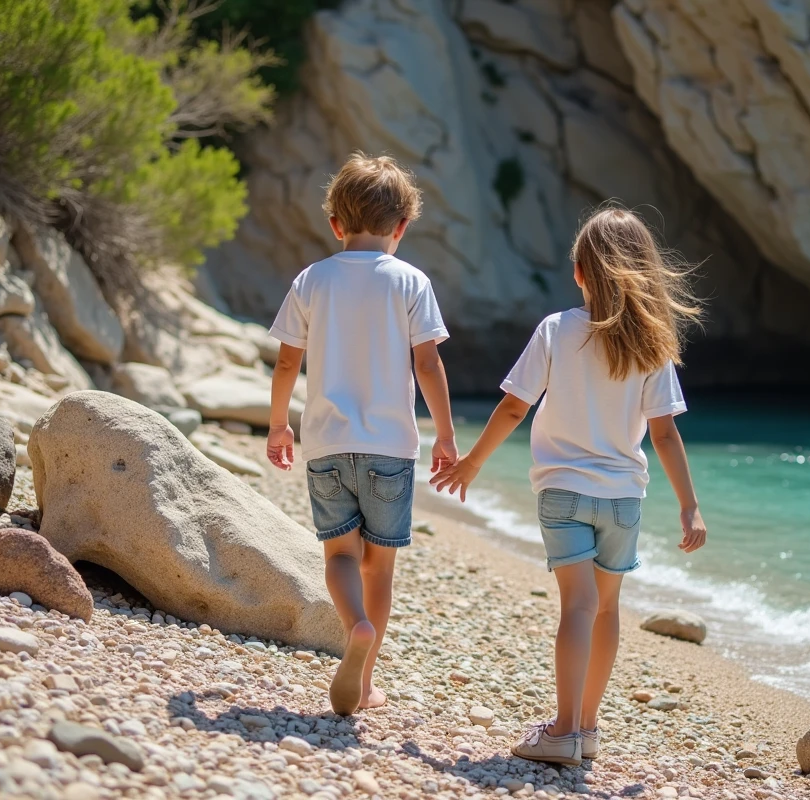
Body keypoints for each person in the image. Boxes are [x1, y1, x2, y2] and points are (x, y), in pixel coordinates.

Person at [430, 205, 708, 765]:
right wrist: (689, 507)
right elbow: (665, 434)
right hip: (624, 499)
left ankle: (561, 730)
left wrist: (474, 463)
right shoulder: (652, 343)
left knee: (575, 608)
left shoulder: (557, 330)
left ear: (580, 272)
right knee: (605, 611)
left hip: (562, 492)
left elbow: (513, 407)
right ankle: (585, 729)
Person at [267, 153, 457, 716]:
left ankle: (355, 627)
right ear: (402, 227)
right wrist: (446, 435)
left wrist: (280, 423)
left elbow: (285, 365)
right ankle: (367, 679)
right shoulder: (411, 281)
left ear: (335, 224)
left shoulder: (312, 279)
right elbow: (428, 366)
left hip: (326, 444)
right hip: (391, 450)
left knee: (340, 558)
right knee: (381, 565)